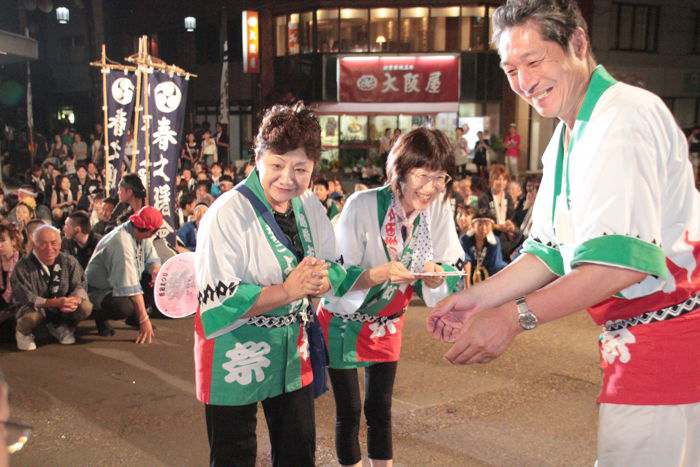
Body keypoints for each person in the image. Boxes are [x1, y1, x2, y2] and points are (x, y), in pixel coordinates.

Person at [427, 1, 700, 465]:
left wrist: (512, 318)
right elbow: (550, 252)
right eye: (511, 68)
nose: (524, 82)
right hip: (640, 339)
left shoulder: (624, 116)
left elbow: (620, 264)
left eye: (534, 61)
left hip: (674, 339)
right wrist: (478, 299)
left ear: (577, 43)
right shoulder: (568, 134)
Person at [194, 103, 359, 467]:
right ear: (258, 159)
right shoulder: (227, 213)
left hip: (289, 346)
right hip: (235, 348)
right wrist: (288, 289)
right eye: (277, 165)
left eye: (300, 168)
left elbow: (334, 265)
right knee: (234, 453)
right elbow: (217, 301)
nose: (288, 178)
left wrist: (320, 281)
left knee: (299, 451)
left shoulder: (310, 207)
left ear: (313, 168)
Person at [318, 127, 464, 467]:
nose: (431, 188)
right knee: (350, 412)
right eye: (423, 176)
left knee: (380, 408)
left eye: (439, 177)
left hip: (388, 322)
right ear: (399, 170)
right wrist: (381, 273)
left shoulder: (437, 208)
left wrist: (434, 275)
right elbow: (335, 274)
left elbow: (446, 267)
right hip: (345, 320)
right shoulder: (361, 205)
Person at [86, 206, 161, 342]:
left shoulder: (139, 233)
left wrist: (155, 272)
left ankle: (134, 318)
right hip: (100, 290)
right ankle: (98, 315)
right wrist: (144, 319)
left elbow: (152, 259)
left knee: (155, 280)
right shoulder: (121, 242)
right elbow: (131, 286)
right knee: (124, 307)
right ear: (150, 231)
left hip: (120, 282)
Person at [12, 225, 92, 351]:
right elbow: (24, 296)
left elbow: (80, 284)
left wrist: (75, 298)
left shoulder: (69, 261)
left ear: (60, 244)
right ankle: (23, 333)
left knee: (85, 306)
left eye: (53, 243)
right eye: (43, 244)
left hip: (61, 307)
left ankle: (64, 327)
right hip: (33, 308)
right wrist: (53, 303)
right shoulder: (23, 266)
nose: (49, 248)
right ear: (35, 244)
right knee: (31, 317)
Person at [460, 211, 507, 286]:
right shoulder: (465, 239)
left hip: (488, 279)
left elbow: (496, 264)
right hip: (466, 278)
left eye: (487, 224)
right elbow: (465, 261)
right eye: (480, 224)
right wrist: (467, 286)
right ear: (472, 225)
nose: (483, 228)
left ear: (491, 227)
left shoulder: (494, 242)